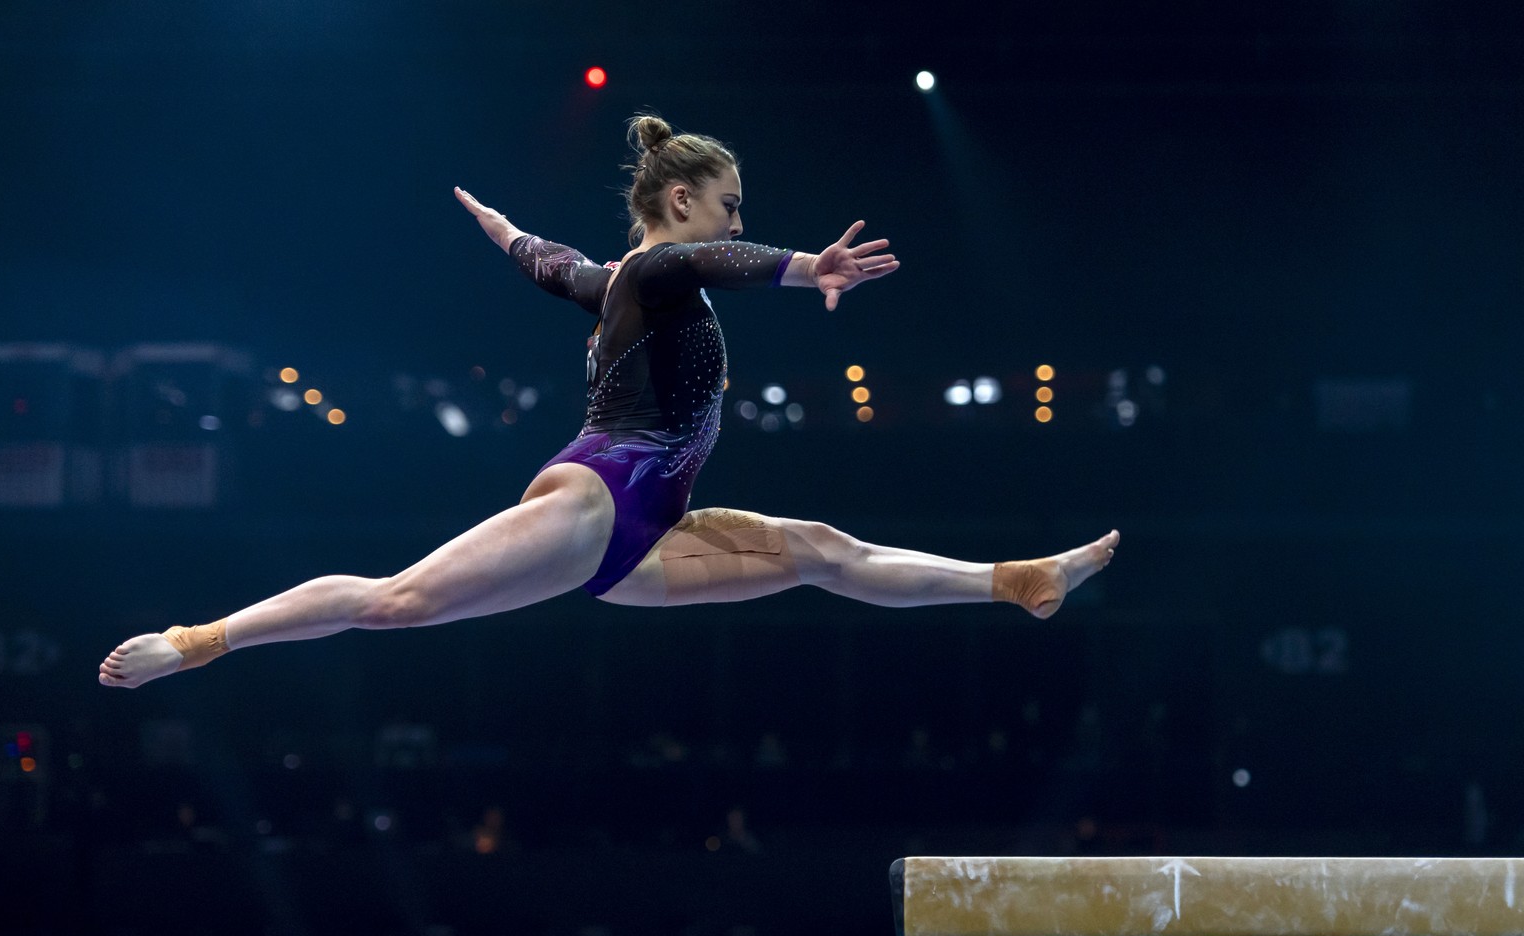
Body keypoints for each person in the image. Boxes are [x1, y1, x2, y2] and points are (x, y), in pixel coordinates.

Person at [98, 115, 1119, 689]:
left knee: (818, 550)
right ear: (681, 203)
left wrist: (504, 233)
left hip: (644, 539)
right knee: (395, 601)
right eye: (728, 200)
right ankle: (196, 641)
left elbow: (554, 266)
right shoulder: (665, 268)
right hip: (595, 497)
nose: (735, 219)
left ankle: (1016, 578)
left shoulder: (619, 280)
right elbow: (716, 258)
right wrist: (809, 267)